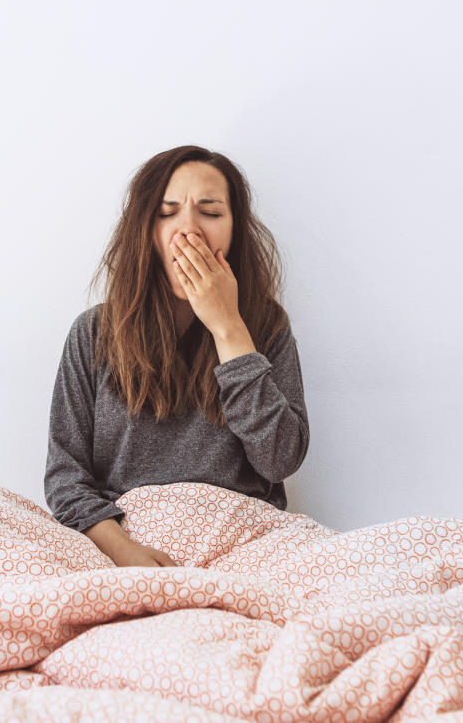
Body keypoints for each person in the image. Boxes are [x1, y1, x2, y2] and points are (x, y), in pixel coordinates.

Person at [43, 145, 310, 567]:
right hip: (125, 544)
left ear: (235, 230)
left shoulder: (266, 328)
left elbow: (279, 460)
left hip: (245, 545)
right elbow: (65, 478)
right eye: (167, 213)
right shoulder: (93, 333)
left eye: (211, 212)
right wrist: (126, 553)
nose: (188, 231)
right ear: (145, 231)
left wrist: (229, 328)